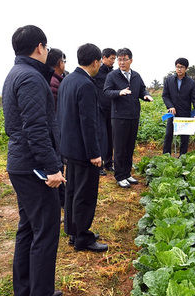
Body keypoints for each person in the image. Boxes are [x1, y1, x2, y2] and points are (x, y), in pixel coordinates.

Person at [2, 25, 78, 296]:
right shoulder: (32, 77)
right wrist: (53, 169)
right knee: (45, 231)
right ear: (39, 47)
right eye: (46, 48)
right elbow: (36, 130)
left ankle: (26, 290)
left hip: (20, 163)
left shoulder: (16, 73)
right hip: (33, 166)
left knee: (29, 227)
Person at [57, 43, 108, 252]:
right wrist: (94, 153)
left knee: (72, 192)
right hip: (84, 150)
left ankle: (74, 231)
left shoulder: (67, 80)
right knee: (85, 195)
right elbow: (88, 122)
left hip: (69, 147)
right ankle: (82, 238)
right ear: (96, 62)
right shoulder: (86, 84)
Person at [103, 48, 153, 188]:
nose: (121, 62)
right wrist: (119, 92)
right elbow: (106, 92)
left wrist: (146, 95)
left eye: (124, 59)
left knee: (130, 147)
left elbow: (142, 89)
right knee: (120, 147)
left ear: (131, 60)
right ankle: (119, 176)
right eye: (119, 59)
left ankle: (127, 173)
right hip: (119, 116)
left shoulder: (136, 75)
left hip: (133, 115)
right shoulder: (112, 76)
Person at [162, 57, 195, 156]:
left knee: (184, 137)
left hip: (185, 113)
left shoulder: (191, 83)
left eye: (182, 67)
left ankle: (183, 156)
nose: (179, 69)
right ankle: (166, 156)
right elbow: (165, 95)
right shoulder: (169, 80)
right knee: (168, 135)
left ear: (186, 68)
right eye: (177, 67)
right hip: (173, 113)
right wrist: (170, 106)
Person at [45, 48, 67, 207]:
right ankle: (63, 203)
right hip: (53, 133)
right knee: (56, 168)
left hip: (54, 132)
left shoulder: (55, 79)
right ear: (60, 63)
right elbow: (54, 112)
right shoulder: (53, 83)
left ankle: (63, 202)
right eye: (64, 61)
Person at [93, 48, 116, 176]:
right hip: (99, 108)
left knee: (110, 136)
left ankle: (108, 163)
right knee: (100, 136)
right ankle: (99, 164)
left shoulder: (113, 73)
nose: (114, 61)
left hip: (111, 108)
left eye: (114, 59)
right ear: (104, 58)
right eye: (112, 58)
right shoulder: (97, 72)